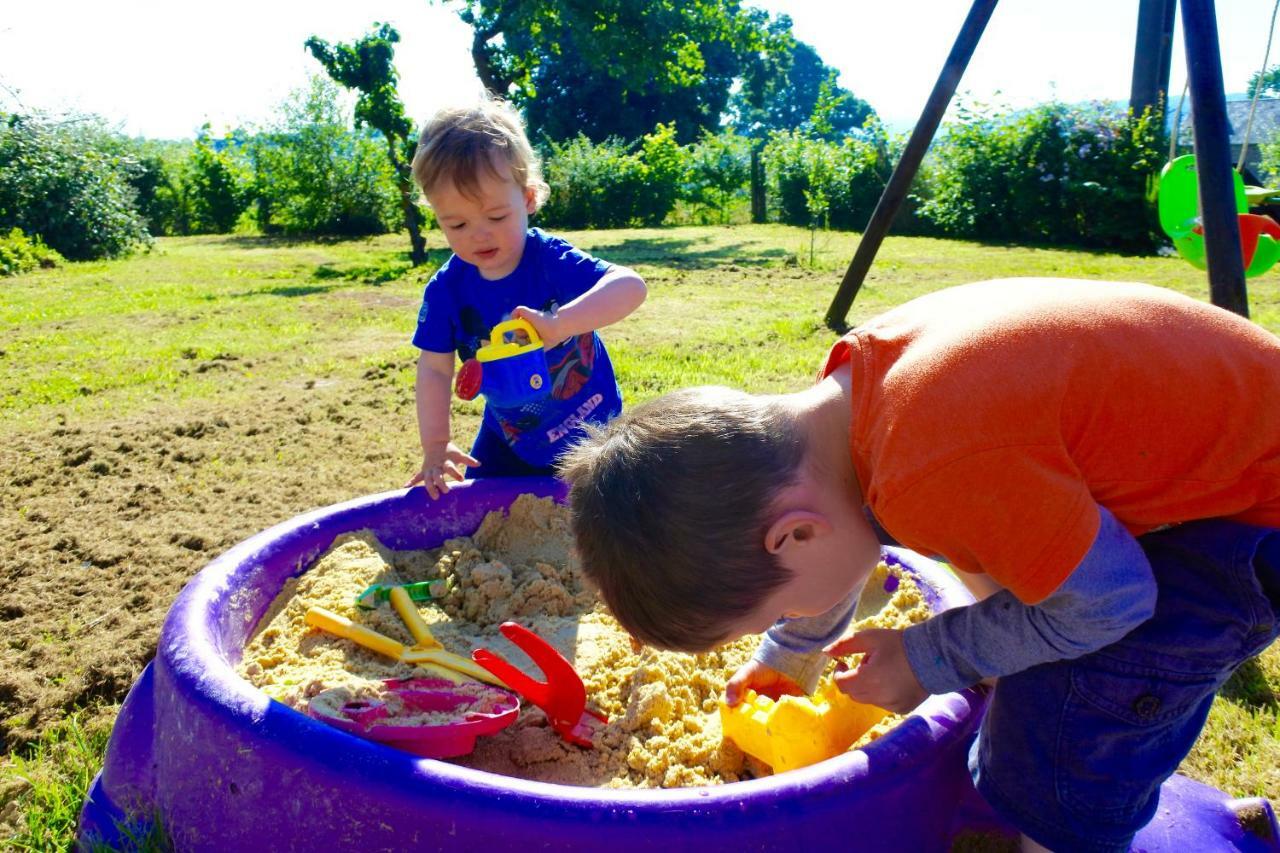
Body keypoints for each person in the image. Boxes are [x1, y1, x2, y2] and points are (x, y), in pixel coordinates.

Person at [557, 277, 1280, 853]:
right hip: (1205, 463)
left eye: (777, 613)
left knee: (1072, 722)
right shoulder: (852, 400)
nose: (787, 620)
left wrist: (930, 655)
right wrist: (795, 649)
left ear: (793, 533)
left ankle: (1062, 825)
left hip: (1246, 520)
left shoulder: (937, 464)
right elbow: (852, 534)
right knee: (1017, 596)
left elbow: (1113, 601)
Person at [405, 98, 646, 497]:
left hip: (592, 428)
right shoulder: (447, 290)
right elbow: (434, 368)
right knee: (486, 516)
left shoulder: (550, 260)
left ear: (529, 199)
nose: (479, 234)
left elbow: (630, 287)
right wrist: (435, 444)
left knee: (607, 514)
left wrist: (561, 325)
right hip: (509, 436)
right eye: (457, 223)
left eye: (496, 217)